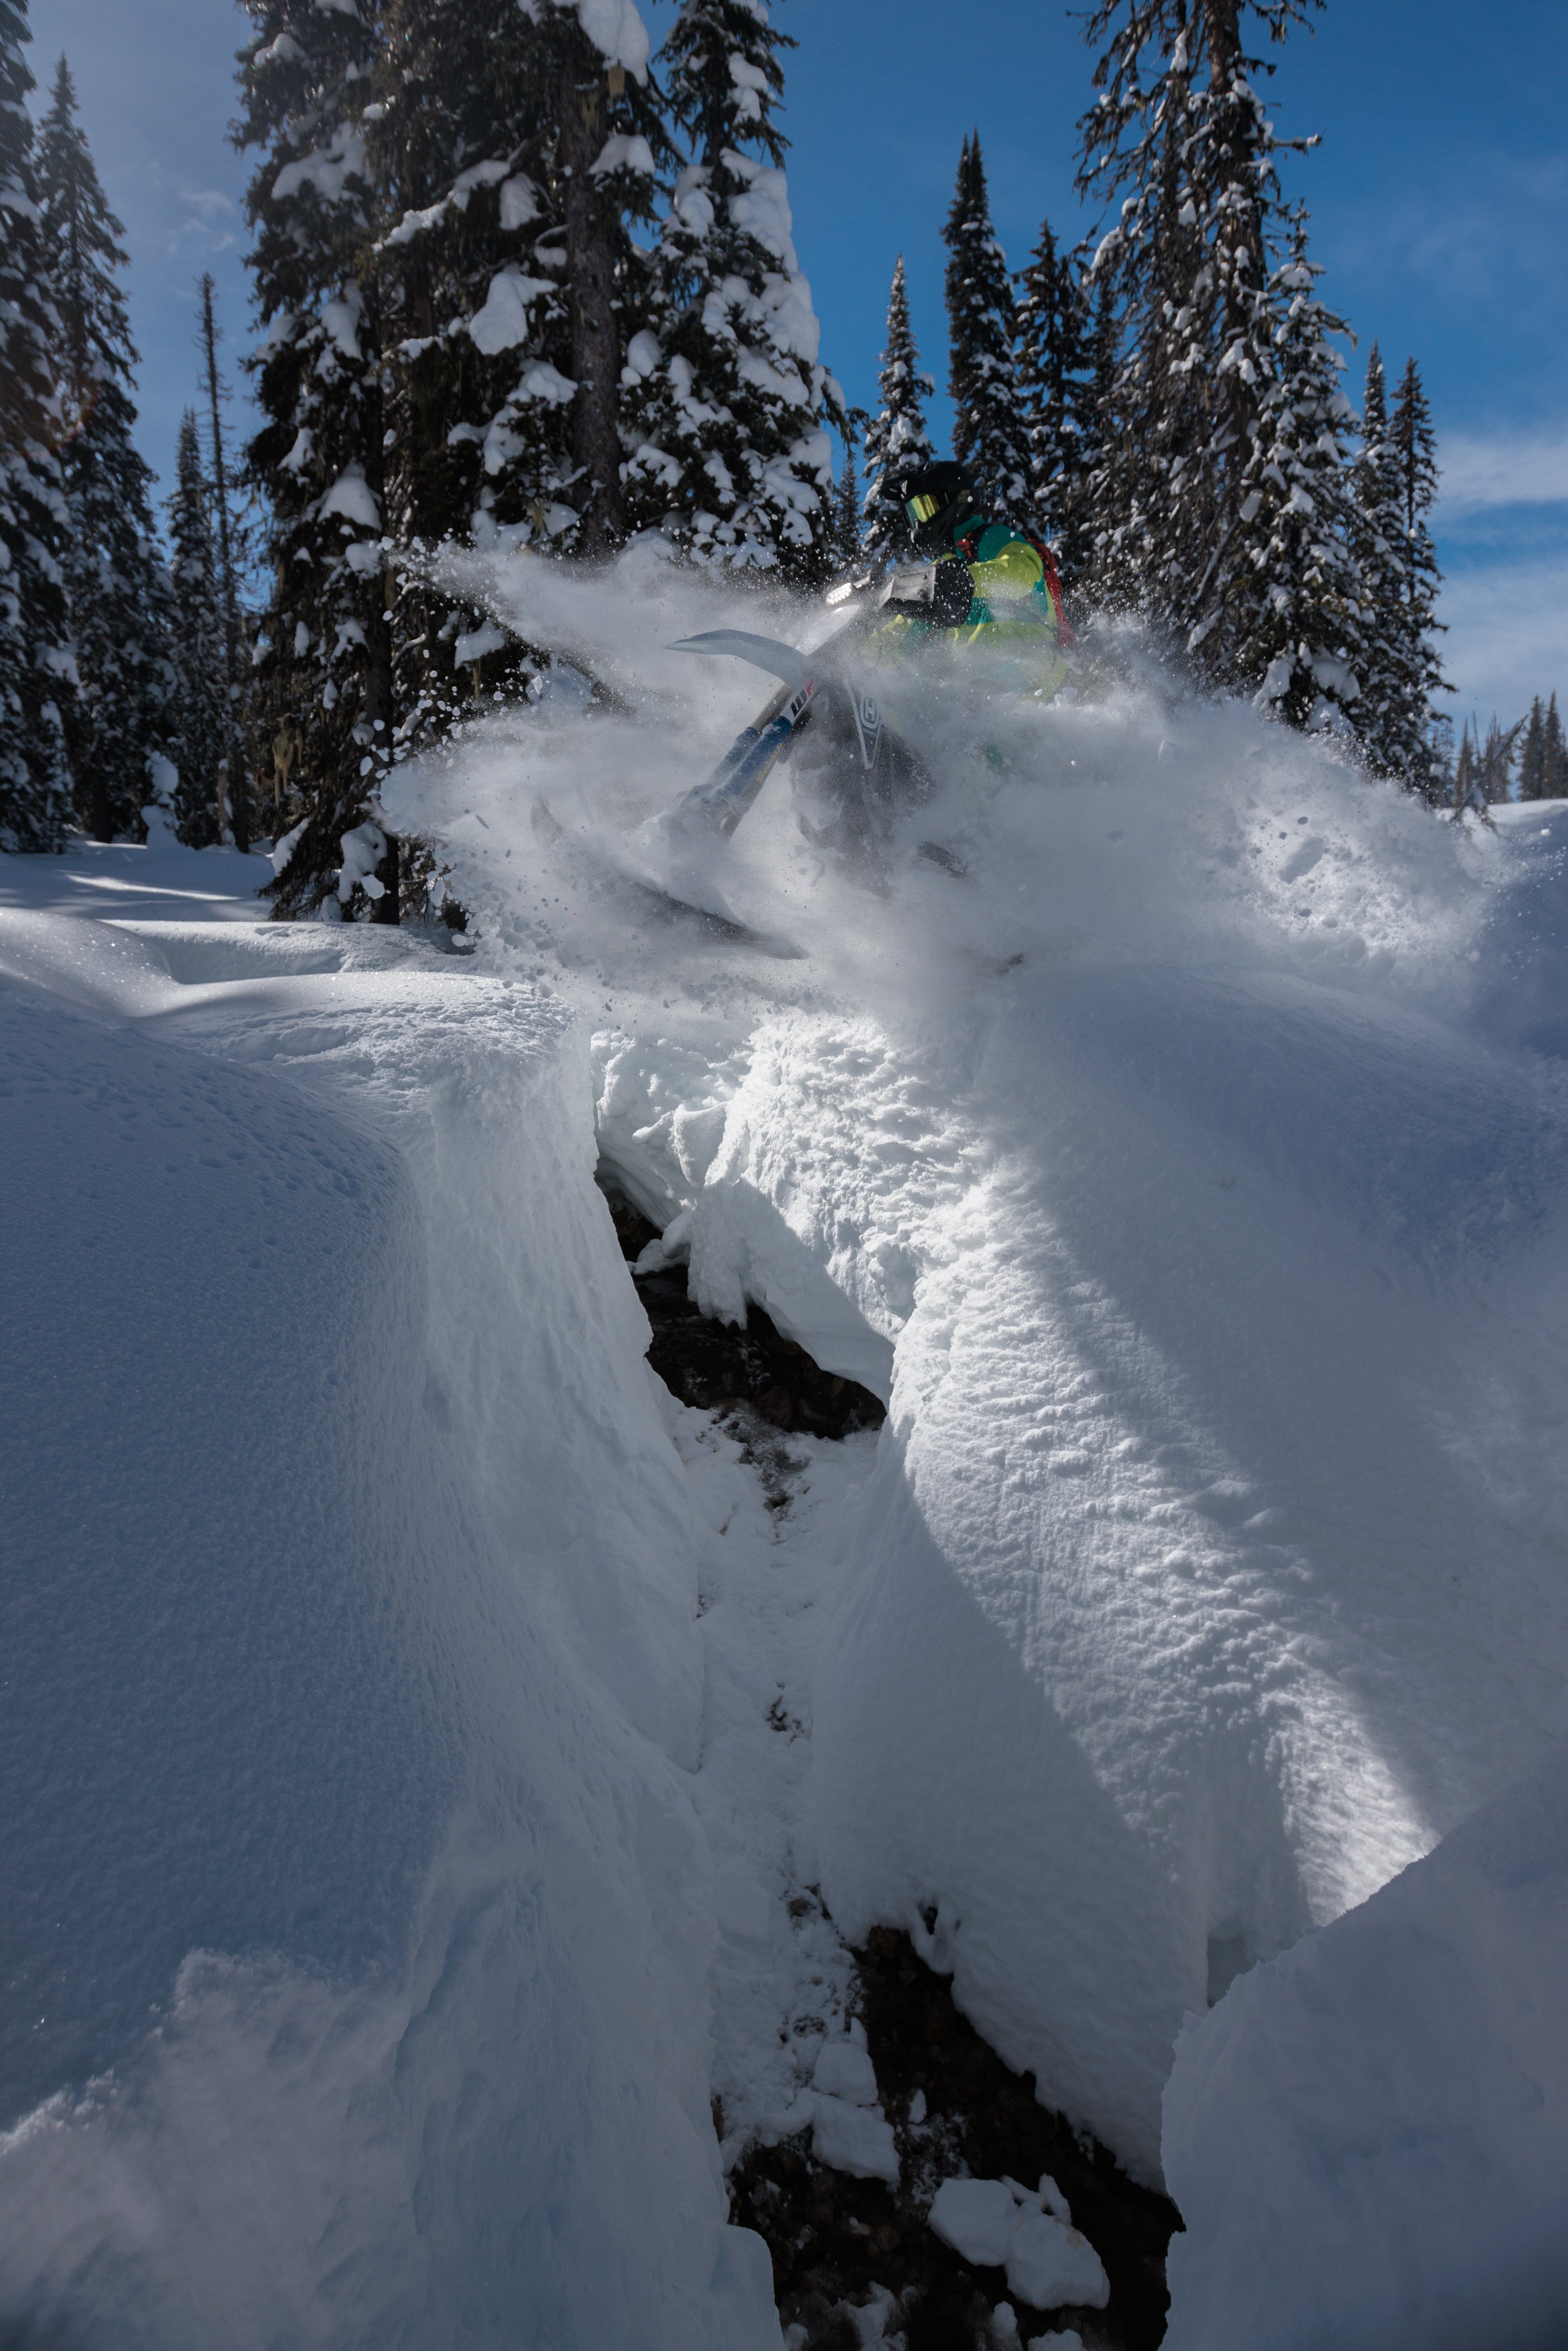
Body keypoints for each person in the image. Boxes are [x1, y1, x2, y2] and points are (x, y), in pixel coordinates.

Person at [868, 460, 1073, 703]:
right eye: (912, 515)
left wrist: (964, 581)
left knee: (966, 707)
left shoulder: (991, 539)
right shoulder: (943, 572)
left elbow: (1024, 571)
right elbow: (904, 631)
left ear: (953, 500)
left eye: (924, 509)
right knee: (923, 706)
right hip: (980, 681)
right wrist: (860, 653)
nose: (919, 525)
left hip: (1032, 664)